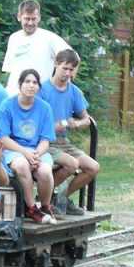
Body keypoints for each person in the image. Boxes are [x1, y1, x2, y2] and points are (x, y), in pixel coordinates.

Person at [39, 49, 99, 216]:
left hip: (64, 142)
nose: (67, 73)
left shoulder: (74, 92)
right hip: (45, 141)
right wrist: (52, 126)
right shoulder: (42, 89)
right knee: (71, 164)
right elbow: (33, 119)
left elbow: (86, 119)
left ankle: (62, 198)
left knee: (93, 168)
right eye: (64, 68)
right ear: (56, 65)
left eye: (71, 70)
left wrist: (77, 123)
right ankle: (46, 199)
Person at [0, 69, 57, 224]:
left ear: (39, 87)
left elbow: (45, 139)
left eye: (35, 82)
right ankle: (31, 209)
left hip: (37, 150)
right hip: (13, 149)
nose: (31, 85)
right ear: (20, 85)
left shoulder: (45, 108)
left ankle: (45, 206)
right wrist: (25, 154)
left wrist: (35, 154)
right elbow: (3, 137)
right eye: (27, 82)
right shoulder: (7, 105)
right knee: (22, 165)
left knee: (44, 170)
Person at [2, 0, 75, 96]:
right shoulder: (14, 38)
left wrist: (65, 85)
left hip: (39, 97)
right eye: (27, 19)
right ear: (19, 17)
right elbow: (9, 70)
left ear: (39, 18)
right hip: (13, 95)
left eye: (34, 19)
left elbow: (74, 58)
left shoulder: (49, 38)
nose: (30, 23)